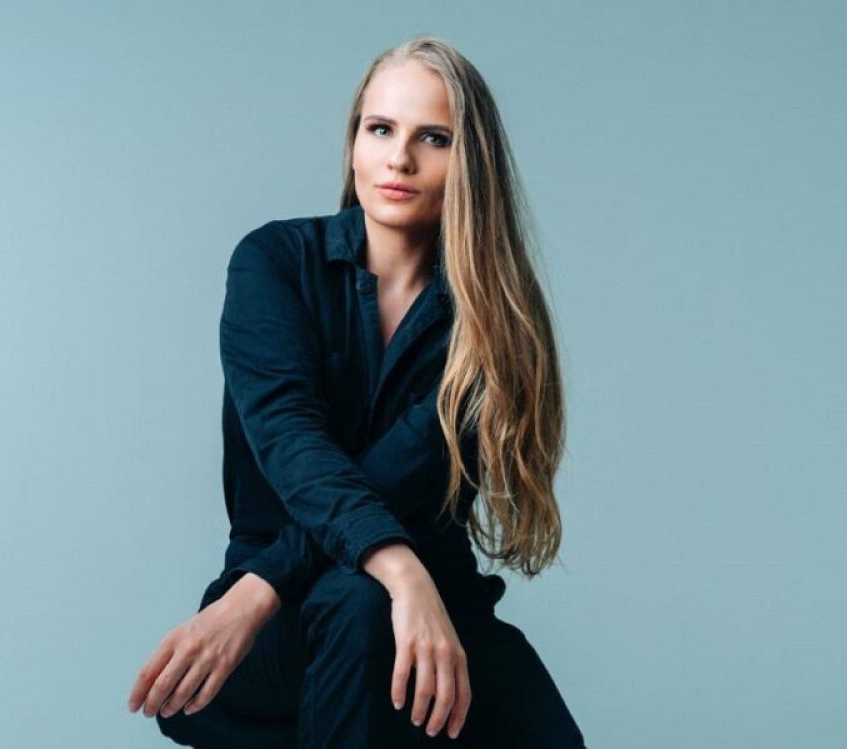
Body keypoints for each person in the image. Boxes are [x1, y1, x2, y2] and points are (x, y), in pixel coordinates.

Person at [127, 35, 587, 748]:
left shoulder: (493, 321)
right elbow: (292, 442)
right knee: (359, 599)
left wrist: (277, 586)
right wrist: (391, 571)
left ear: (471, 163)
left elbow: (400, 472)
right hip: (286, 620)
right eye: (380, 129)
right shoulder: (275, 262)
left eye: (433, 138)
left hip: (427, 604)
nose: (399, 158)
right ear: (353, 143)